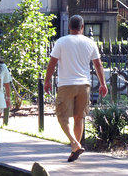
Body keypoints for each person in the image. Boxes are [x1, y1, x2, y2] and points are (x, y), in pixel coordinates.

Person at [44, 15, 108, 162]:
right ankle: (75, 149)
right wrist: (103, 83)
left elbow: (52, 63)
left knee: (62, 116)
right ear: (82, 27)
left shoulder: (61, 42)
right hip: (84, 84)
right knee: (79, 118)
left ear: (69, 27)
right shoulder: (90, 42)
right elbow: (98, 65)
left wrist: (47, 81)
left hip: (66, 84)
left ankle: (74, 143)